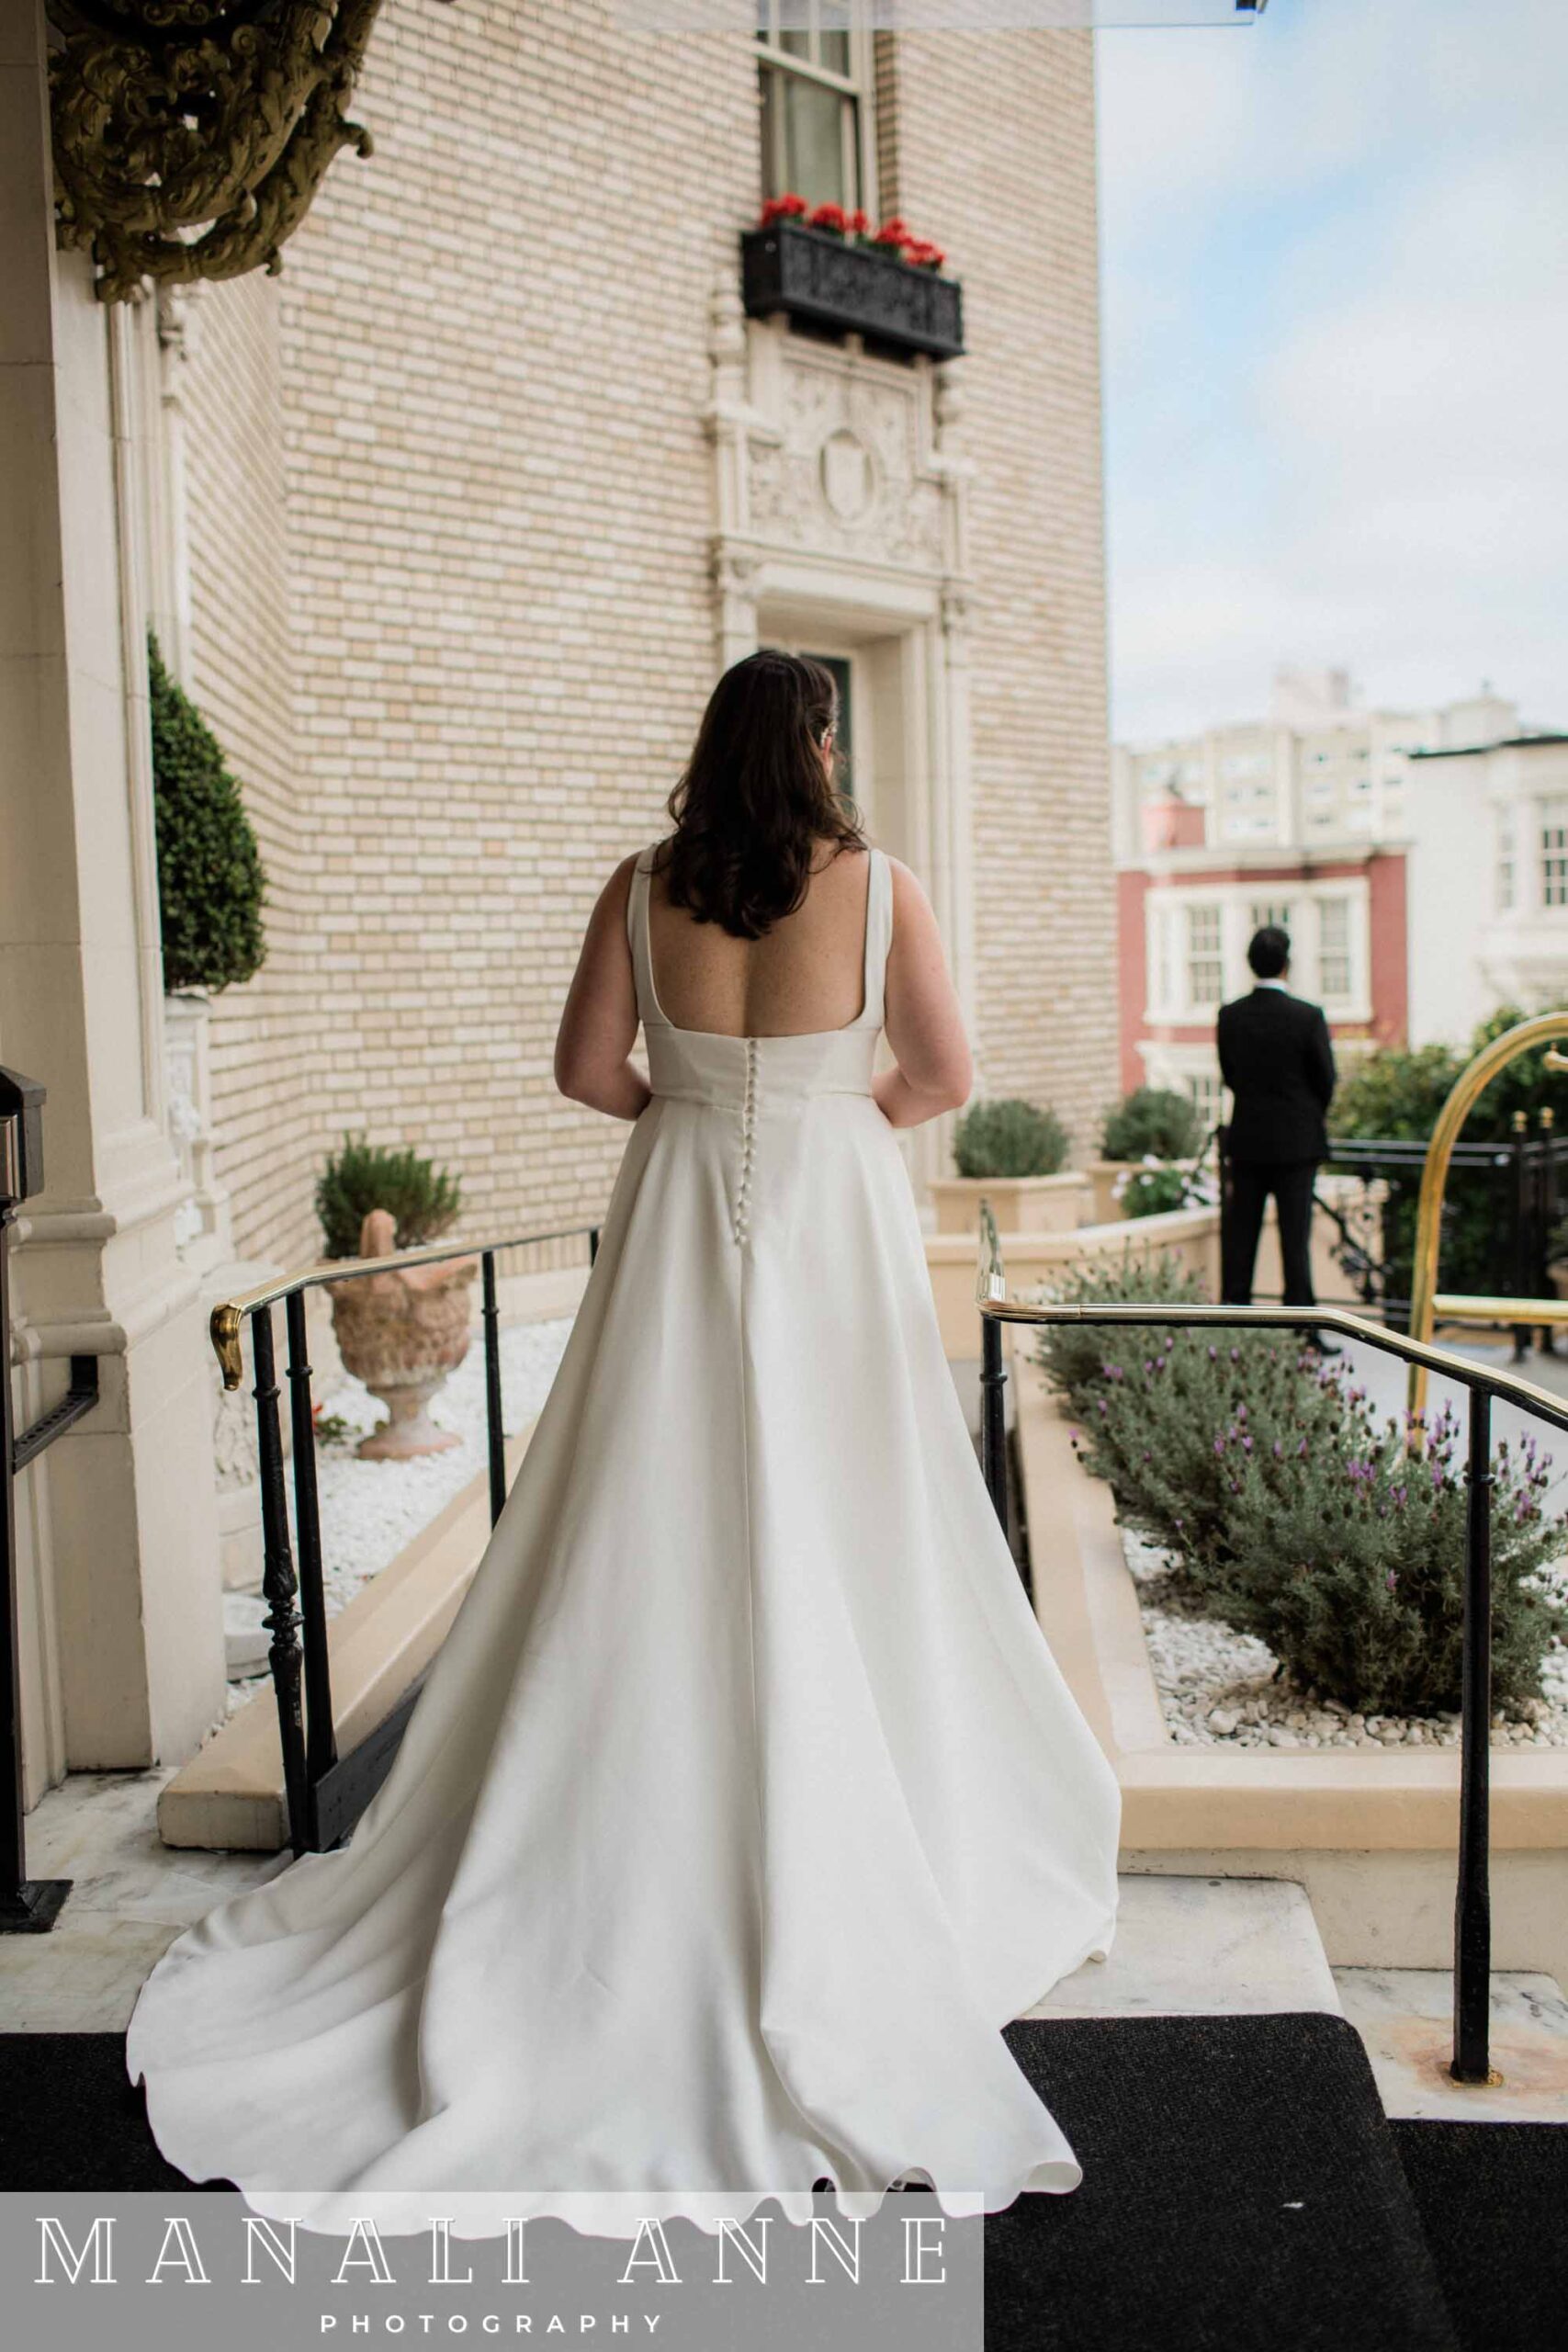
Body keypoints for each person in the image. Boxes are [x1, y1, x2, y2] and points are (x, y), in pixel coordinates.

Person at [124, 650, 1122, 2241]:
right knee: (854, 1502)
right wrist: (827, 1109)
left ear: (712, 750)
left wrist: (697, 1104)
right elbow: (942, 1076)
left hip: (674, 1216)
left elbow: (588, 1072)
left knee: (650, 1507)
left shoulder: (642, 886)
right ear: (816, 746)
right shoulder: (881, 890)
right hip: (830, 1220)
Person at [1216, 923, 1337, 1329]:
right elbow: (1326, 1081)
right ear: (1287, 964)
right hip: (1296, 1146)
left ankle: (1234, 1324)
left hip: (1248, 1141)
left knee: (1241, 1240)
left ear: (1251, 964)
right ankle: (1301, 1327)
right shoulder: (1307, 1016)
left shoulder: (1230, 1016)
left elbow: (1230, 1075)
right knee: (1295, 1241)